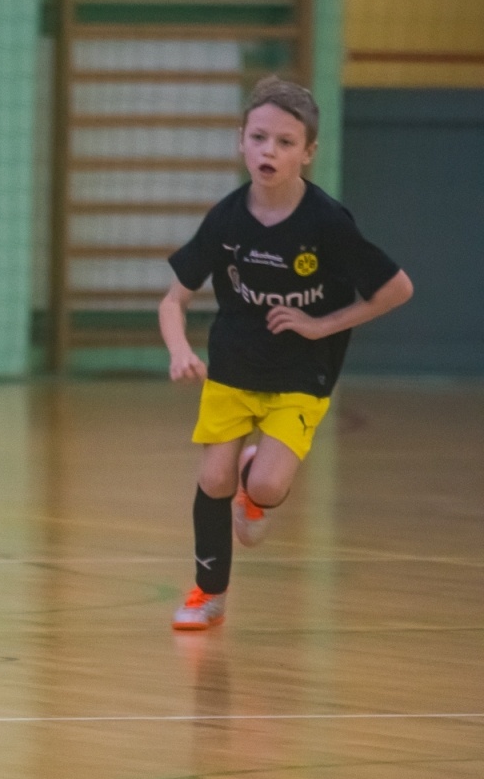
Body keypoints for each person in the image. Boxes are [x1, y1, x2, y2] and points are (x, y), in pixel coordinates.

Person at [159, 76, 413, 631]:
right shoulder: (226, 219)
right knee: (214, 478)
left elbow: (396, 289)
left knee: (268, 487)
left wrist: (322, 325)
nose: (268, 151)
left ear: (308, 152)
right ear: (241, 141)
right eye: (258, 138)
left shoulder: (327, 223)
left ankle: (256, 489)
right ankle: (208, 593)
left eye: (284, 142)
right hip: (234, 362)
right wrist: (179, 351)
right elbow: (173, 300)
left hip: (303, 367)